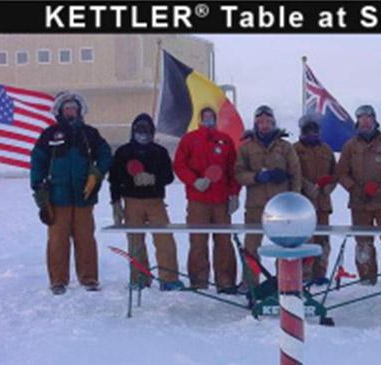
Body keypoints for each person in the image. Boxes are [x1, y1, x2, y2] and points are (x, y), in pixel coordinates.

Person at [30, 91, 112, 295]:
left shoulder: (90, 134)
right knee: (58, 240)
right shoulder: (49, 134)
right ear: (60, 111)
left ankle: (89, 278)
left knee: (85, 238)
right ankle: (58, 280)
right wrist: (38, 186)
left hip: (84, 196)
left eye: (74, 108)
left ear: (79, 111)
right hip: (57, 197)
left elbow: (105, 154)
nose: (70, 111)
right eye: (67, 108)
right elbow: (38, 160)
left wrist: (97, 172)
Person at [108, 113, 183, 291]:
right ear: (133, 131)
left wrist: (154, 179)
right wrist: (115, 203)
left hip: (156, 201)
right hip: (132, 202)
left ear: (152, 132)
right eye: (140, 130)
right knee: (135, 242)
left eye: (147, 130)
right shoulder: (123, 152)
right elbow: (114, 179)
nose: (143, 133)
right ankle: (139, 278)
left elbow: (169, 177)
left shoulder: (160, 152)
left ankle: (169, 278)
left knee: (165, 240)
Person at [336, 105, 381, 286]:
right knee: (363, 244)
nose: (365, 121)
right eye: (361, 118)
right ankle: (366, 279)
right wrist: (354, 189)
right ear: (357, 121)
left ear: (375, 120)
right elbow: (341, 173)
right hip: (360, 204)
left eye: (369, 117)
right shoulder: (350, 146)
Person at [173, 107, 241, 294]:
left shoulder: (225, 140)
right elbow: (179, 165)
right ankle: (198, 281)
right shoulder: (189, 139)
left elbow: (233, 170)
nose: (209, 119)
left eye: (212, 117)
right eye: (206, 117)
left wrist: (235, 194)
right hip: (198, 200)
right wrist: (194, 181)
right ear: (200, 119)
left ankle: (226, 281)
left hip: (221, 201)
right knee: (198, 240)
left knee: (223, 241)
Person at [235, 105, 302, 289]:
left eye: (268, 122)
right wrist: (256, 177)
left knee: (284, 246)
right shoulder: (246, 148)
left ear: (273, 123)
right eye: (260, 122)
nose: (264, 125)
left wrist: (293, 199)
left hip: (281, 206)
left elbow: (296, 173)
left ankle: (285, 282)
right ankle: (250, 283)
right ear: (256, 124)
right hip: (256, 206)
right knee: (252, 247)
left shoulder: (285, 147)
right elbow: (239, 174)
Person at [293, 113, 337, 285]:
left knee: (323, 240)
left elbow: (335, 173)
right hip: (302, 204)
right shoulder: (295, 149)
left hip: (323, 203)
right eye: (308, 129)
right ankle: (303, 274)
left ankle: (320, 273)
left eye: (315, 130)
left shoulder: (326, 149)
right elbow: (294, 171)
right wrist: (306, 186)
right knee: (304, 239)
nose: (311, 133)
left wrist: (329, 187)